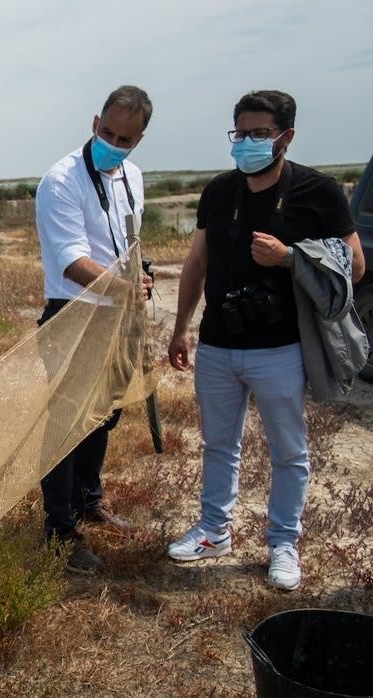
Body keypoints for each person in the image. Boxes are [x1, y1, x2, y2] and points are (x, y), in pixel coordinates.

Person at [166, 90, 364, 591]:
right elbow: (196, 262)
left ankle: (283, 543)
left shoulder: (318, 191)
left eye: (260, 134)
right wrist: (181, 326)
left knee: (289, 451)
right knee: (218, 444)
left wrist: (291, 257)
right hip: (218, 344)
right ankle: (214, 531)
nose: (248, 143)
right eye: (241, 134)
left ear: (286, 136)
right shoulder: (218, 192)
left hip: (281, 348)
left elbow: (355, 264)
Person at [35, 85, 154, 574]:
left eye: (125, 138)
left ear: (139, 139)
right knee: (65, 425)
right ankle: (58, 530)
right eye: (107, 132)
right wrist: (124, 288)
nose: (114, 143)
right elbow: (70, 262)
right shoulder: (61, 180)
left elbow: (126, 243)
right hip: (74, 313)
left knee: (103, 415)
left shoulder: (133, 176)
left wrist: (139, 274)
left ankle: (89, 500)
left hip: (119, 317)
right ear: (94, 123)